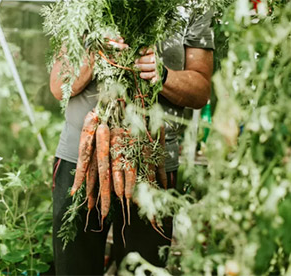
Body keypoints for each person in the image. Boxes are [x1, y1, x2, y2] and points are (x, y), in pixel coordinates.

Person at [50, 8, 215, 276]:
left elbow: (200, 91)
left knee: (143, 269)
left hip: (151, 160)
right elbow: (58, 86)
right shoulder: (82, 4)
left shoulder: (195, 6)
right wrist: (96, 53)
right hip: (82, 158)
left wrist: (163, 75)